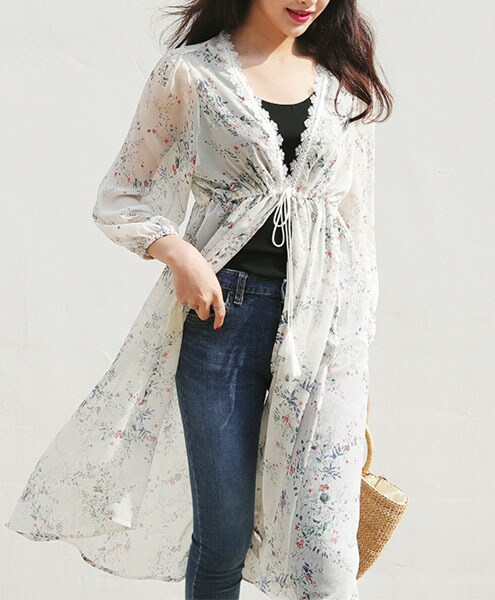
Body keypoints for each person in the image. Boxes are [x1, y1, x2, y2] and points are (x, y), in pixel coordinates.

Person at [5, 2, 393, 599]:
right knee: (224, 538)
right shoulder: (190, 73)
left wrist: (360, 356)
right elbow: (122, 192)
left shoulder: (343, 86)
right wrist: (177, 252)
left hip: (327, 330)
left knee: (325, 549)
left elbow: (357, 227)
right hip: (223, 321)